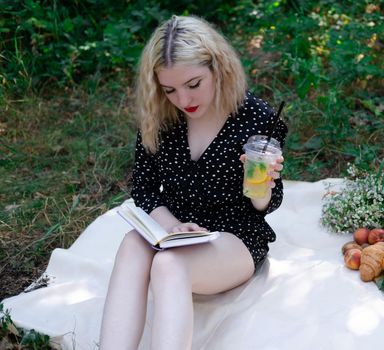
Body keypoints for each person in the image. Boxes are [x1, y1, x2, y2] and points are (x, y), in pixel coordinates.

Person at [99, 14, 287, 350]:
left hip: (233, 238)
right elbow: (143, 188)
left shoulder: (256, 118)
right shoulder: (160, 117)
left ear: (218, 68)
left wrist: (262, 182)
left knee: (169, 265)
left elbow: (264, 206)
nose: (184, 100)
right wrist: (172, 226)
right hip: (175, 230)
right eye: (170, 89)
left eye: (194, 84)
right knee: (132, 244)